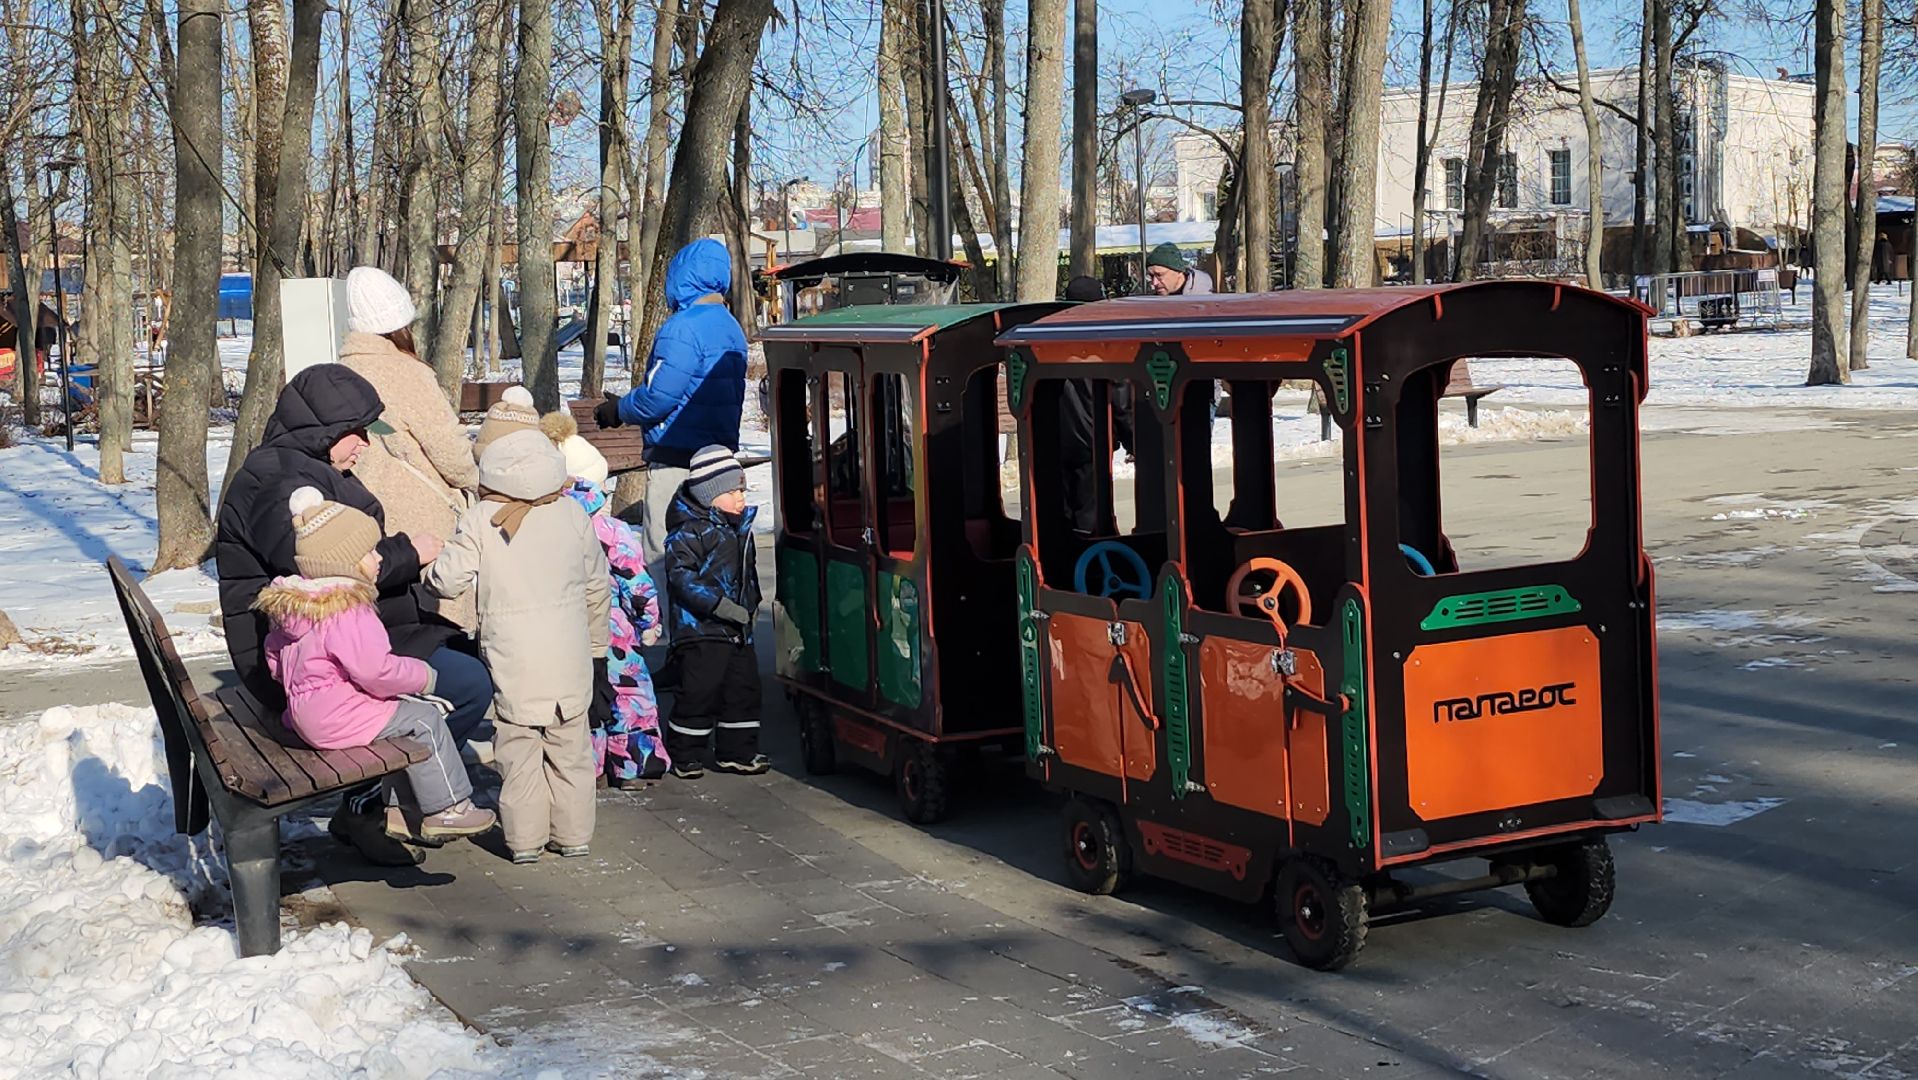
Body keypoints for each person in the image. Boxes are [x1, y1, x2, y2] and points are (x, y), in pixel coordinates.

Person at [218, 364, 496, 867]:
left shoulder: (297, 469)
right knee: (467, 683)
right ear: (321, 432)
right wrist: (407, 554)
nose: (366, 443)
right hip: (310, 663)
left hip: (326, 644)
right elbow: (322, 573)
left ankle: (394, 797)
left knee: (464, 656)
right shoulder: (278, 484)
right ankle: (374, 805)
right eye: (356, 432)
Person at [258, 487, 496, 844]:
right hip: (335, 716)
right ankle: (448, 808)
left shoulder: (298, 603)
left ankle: (399, 812)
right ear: (344, 560)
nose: (378, 558)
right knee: (424, 719)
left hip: (306, 713)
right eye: (369, 552)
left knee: (404, 718)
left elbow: (274, 657)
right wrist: (423, 677)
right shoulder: (349, 608)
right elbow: (375, 671)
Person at [426, 429, 610, 864]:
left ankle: (525, 841)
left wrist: (430, 565)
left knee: (519, 751)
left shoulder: (482, 518)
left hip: (513, 657)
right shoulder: (572, 514)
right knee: (571, 751)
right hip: (570, 655)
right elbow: (597, 588)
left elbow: (447, 581)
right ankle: (573, 834)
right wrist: (597, 649)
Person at [593, 238, 748, 643]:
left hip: (677, 455)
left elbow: (659, 397)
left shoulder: (682, 328)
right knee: (710, 557)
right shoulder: (731, 327)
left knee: (664, 552)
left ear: (682, 277)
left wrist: (618, 410)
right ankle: (708, 641)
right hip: (718, 459)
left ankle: (667, 643)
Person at [545, 409, 667, 784]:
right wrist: (649, 622)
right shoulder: (608, 528)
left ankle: (589, 766)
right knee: (629, 695)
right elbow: (636, 581)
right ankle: (634, 761)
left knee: (583, 700)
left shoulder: (547, 522)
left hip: (565, 630)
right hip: (615, 631)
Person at [334, 266, 477, 551]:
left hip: (362, 518)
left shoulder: (341, 374)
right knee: (439, 593)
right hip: (421, 518)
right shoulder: (406, 373)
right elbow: (448, 448)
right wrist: (476, 480)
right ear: (400, 323)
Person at [662, 446, 764, 779]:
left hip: (737, 627)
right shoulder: (690, 531)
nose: (740, 497)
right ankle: (684, 753)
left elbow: (746, 575)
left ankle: (737, 751)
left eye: (742, 490)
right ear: (709, 495)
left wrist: (752, 603)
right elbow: (681, 577)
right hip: (701, 628)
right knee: (699, 691)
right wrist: (719, 606)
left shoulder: (737, 528)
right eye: (732, 491)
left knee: (743, 689)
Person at [1143, 242, 1214, 297]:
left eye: (1159, 275)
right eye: (1151, 276)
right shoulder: (1155, 301)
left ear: (1179, 271)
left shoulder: (1205, 303)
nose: (1154, 283)